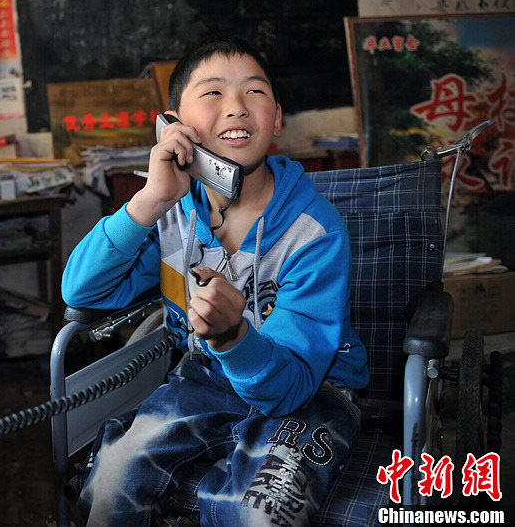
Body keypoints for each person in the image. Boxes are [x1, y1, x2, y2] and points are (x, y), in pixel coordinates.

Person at [61, 37, 369, 526]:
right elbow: (83, 292)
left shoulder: (314, 231)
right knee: (112, 483)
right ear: (174, 126)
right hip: (202, 378)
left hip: (310, 392)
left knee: (261, 515)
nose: (236, 109)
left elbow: (287, 390)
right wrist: (149, 201)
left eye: (254, 92)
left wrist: (234, 336)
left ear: (278, 119)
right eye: (212, 94)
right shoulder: (170, 215)